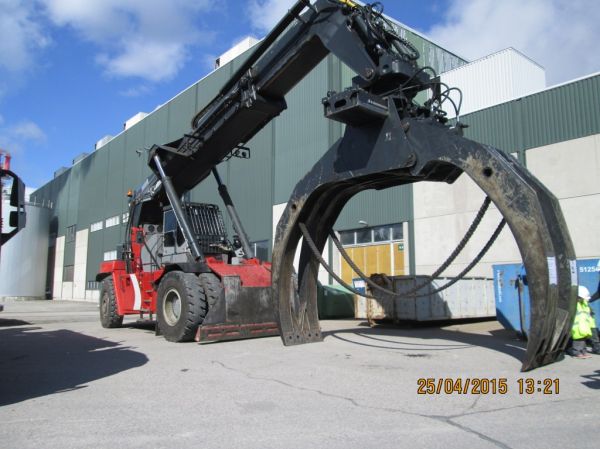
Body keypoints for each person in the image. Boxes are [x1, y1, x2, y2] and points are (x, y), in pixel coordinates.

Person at [568, 285, 598, 359]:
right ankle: (577, 353)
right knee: (578, 342)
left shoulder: (584, 305)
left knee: (583, 341)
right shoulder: (575, 305)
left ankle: (583, 352)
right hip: (577, 328)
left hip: (583, 328)